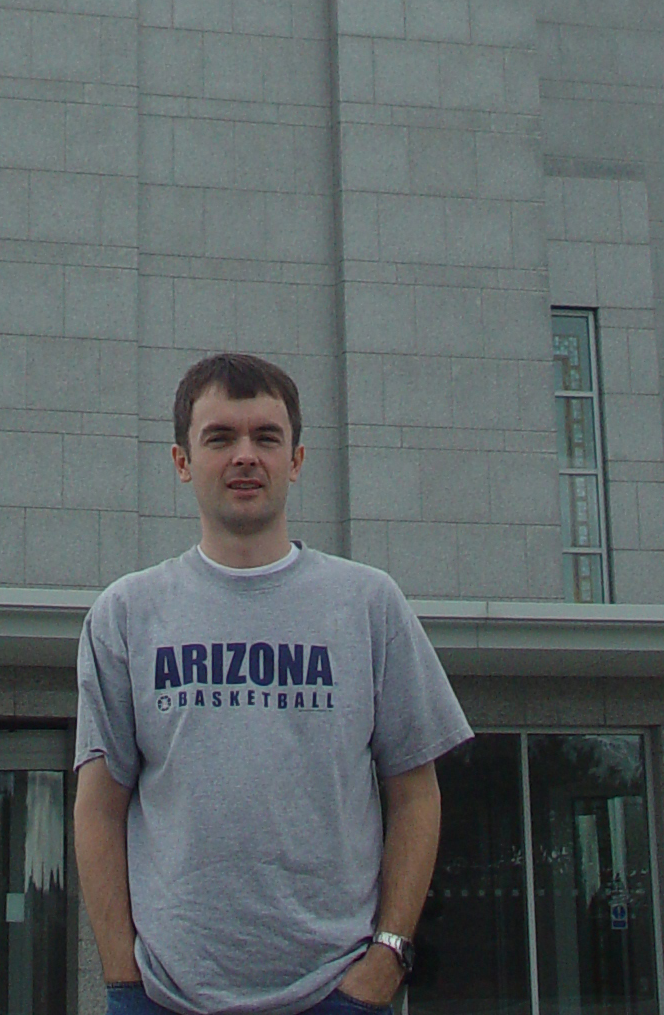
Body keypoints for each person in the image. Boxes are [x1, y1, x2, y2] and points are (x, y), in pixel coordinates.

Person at [74, 352, 471, 1015]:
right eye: (220, 437)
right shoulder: (126, 614)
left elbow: (415, 795)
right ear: (181, 462)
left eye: (266, 437)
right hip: (169, 997)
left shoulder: (368, 605)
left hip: (337, 991)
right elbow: (99, 807)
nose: (245, 456)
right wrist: (122, 982)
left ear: (297, 459)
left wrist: (386, 959)